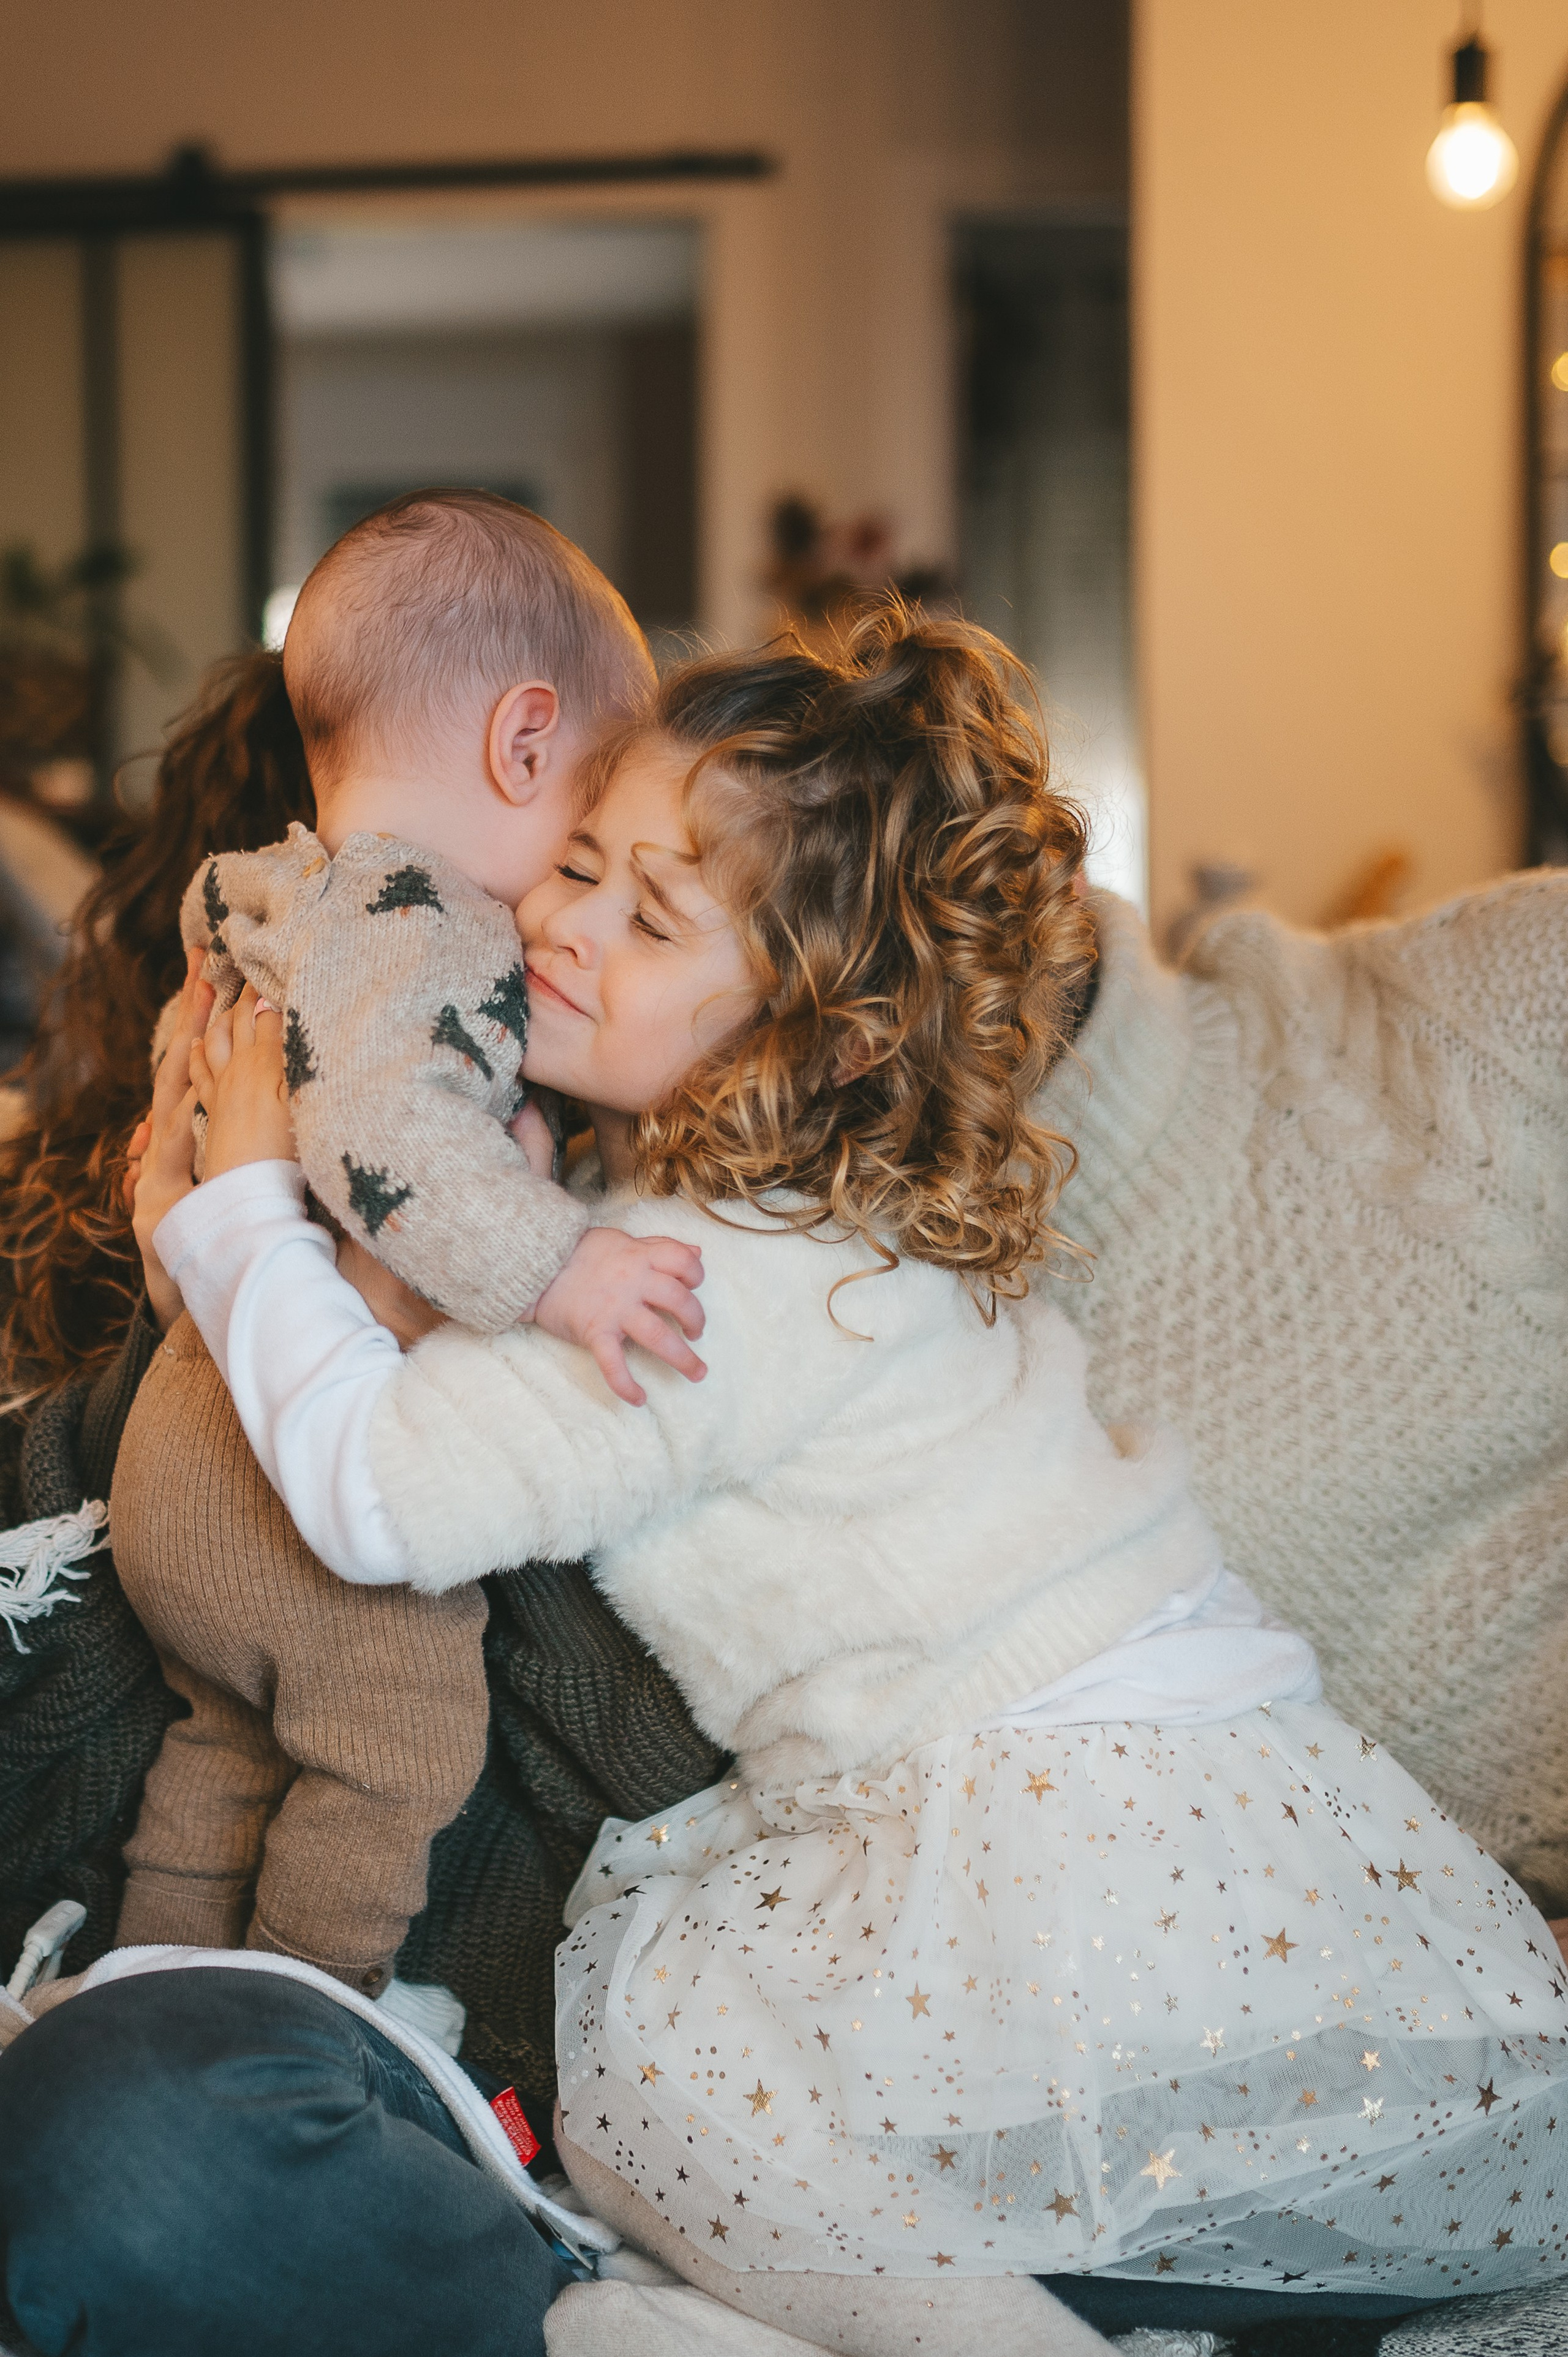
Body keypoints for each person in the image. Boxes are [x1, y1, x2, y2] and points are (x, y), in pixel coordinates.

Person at [113, 609, 1568, 2342]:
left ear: (821, 1038)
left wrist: (231, 1215)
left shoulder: (701, 1288)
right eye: (578, 864)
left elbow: (378, 1494)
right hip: (1210, 1811)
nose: (562, 928)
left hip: (1062, 1843)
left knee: (664, 2071)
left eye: (650, 919)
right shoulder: (797, 1227)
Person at [108, 491, 708, 1999]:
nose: (570, 899)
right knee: (393, 1749)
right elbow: (385, 1136)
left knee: (225, 1754)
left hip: (181, 1450)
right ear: (524, 743)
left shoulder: (284, 899)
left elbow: (203, 1169)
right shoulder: (422, 919)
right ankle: (306, 2010)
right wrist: (557, 1265)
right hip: (294, 1492)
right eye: (583, 837)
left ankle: (141, 1992)